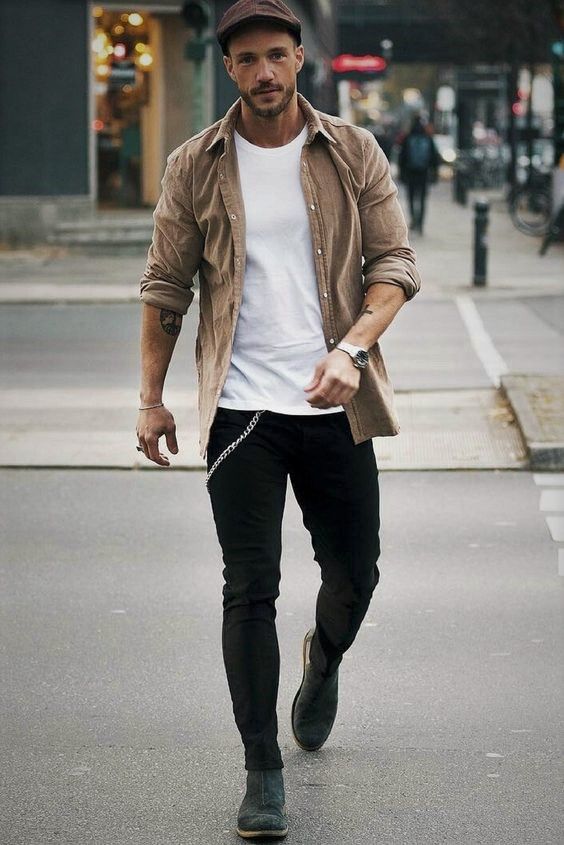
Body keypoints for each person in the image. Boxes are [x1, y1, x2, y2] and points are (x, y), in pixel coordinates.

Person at [136, 0, 421, 838]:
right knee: (248, 587)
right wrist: (150, 398)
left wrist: (354, 348)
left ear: (301, 58)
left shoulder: (351, 149)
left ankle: (323, 657)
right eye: (247, 60)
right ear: (229, 69)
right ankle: (262, 769)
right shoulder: (196, 164)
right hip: (242, 413)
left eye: (276, 56)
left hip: (336, 404)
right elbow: (164, 289)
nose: (263, 72)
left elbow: (394, 263)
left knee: (356, 573)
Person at [399, 115, 440, 234]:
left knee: (411, 198)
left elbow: (402, 157)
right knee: (422, 199)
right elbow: (434, 158)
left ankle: (413, 220)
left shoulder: (408, 138)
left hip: (411, 173)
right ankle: (420, 223)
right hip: (424, 173)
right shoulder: (427, 138)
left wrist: (402, 173)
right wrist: (434, 174)